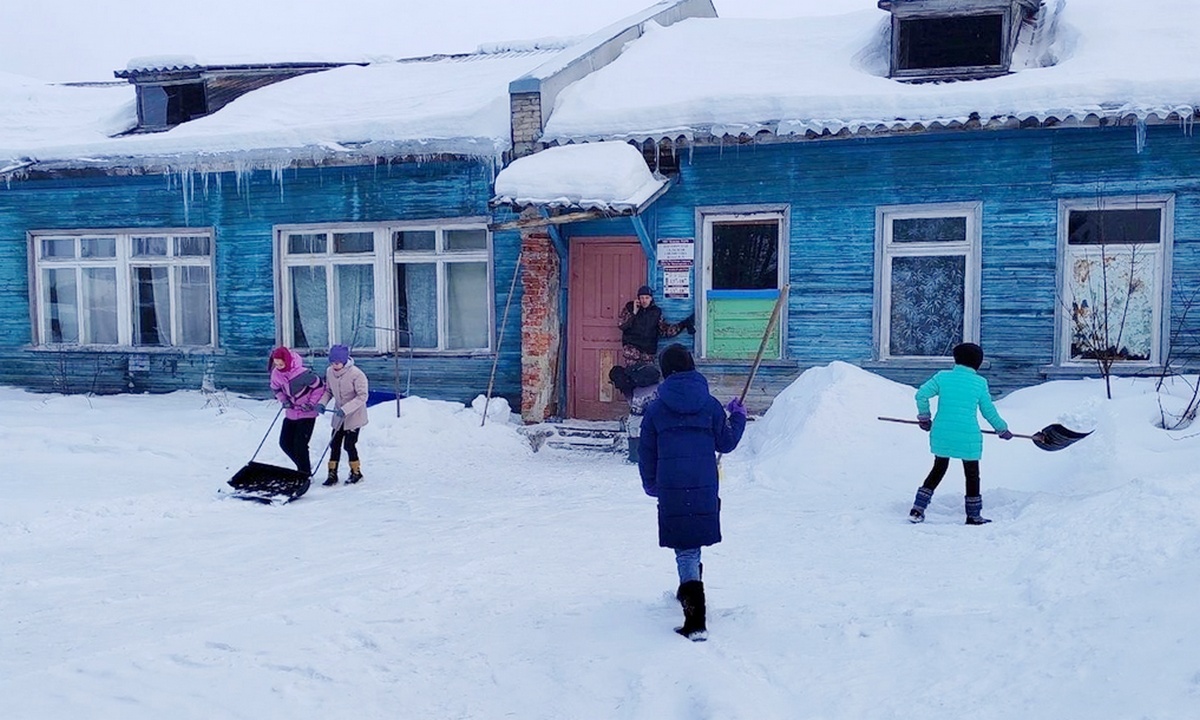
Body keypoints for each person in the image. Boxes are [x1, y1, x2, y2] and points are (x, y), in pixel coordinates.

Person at [638, 343, 747, 641]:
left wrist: (650, 482)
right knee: (691, 540)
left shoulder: (656, 409)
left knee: (685, 547)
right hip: (704, 482)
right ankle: (687, 588)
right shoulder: (710, 404)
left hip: (671, 484)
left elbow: (646, 451)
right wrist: (737, 417)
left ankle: (695, 620)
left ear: (666, 371)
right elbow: (725, 443)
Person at [908, 342, 1013, 525]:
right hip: (968, 435)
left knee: (938, 469)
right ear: (977, 363)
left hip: (942, 432)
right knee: (972, 474)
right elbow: (988, 411)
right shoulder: (979, 383)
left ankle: (918, 509)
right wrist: (1001, 429)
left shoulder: (942, 377)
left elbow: (921, 395)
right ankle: (973, 515)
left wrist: (924, 418)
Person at [268, 346, 326, 475]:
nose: (278, 366)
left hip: (307, 413)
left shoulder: (303, 374)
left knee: (300, 445)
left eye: (281, 363)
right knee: (285, 443)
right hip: (291, 412)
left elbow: (319, 387)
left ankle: (304, 473)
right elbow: (276, 389)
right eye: (276, 363)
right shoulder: (276, 374)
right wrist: (284, 401)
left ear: (287, 361)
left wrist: (311, 403)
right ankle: (303, 467)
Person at [318, 344, 369, 486]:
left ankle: (356, 472)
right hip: (338, 415)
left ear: (345, 361)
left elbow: (362, 396)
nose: (335, 365)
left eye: (338, 362)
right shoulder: (329, 372)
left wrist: (346, 409)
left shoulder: (356, 374)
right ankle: (332, 474)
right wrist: (322, 403)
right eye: (332, 362)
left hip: (354, 415)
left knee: (349, 445)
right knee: (334, 444)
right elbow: (328, 391)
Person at [617, 285, 694, 369]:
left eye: (647, 298)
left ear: (651, 298)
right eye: (642, 298)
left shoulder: (656, 312)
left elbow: (665, 331)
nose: (644, 301)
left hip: (648, 352)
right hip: (632, 351)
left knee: (648, 377)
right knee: (632, 376)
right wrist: (634, 312)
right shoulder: (630, 307)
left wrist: (683, 324)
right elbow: (621, 325)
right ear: (638, 298)